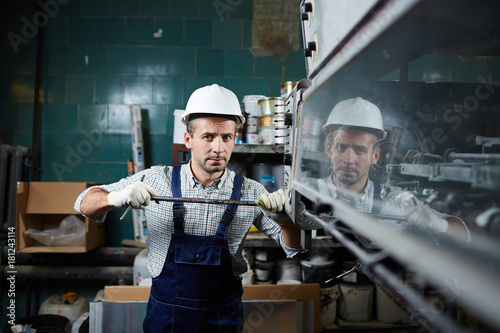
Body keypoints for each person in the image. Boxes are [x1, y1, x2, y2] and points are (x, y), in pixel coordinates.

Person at [74, 84, 301, 332]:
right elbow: (83, 203)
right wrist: (117, 197)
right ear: (188, 139)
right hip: (166, 317)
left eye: (226, 137)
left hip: (222, 318)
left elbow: (293, 247)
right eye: (208, 137)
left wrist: (285, 220)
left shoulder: (251, 192)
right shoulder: (155, 180)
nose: (218, 148)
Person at [317, 97, 470, 244]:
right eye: (341, 147)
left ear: (375, 156)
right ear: (329, 150)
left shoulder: (398, 201)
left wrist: (439, 225)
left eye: (360, 150)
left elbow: (465, 236)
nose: (349, 159)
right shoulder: (310, 192)